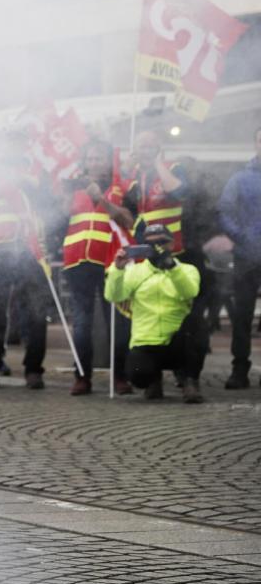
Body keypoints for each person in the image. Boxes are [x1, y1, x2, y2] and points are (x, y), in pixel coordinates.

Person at [124, 132, 208, 400]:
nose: (145, 152)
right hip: (148, 258)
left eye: (150, 147)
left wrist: (159, 164)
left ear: (160, 149)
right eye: (140, 147)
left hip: (178, 254)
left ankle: (189, 379)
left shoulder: (173, 169)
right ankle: (152, 377)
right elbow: (129, 215)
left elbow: (180, 191)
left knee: (189, 318)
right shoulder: (137, 180)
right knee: (149, 313)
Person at [0, 144, 52, 390]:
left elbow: (49, 203)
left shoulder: (33, 187)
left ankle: (33, 369)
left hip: (28, 251)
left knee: (36, 314)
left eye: (17, 165)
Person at [61, 140, 134, 396]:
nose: (94, 163)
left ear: (108, 161)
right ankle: (82, 376)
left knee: (117, 320)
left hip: (112, 261)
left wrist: (100, 198)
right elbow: (60, 218)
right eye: (90, 159)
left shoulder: (120, 187)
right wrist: (67, 193)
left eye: (99, 159)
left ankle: (120, 376)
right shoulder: (76, 189)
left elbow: (128, 219)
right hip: (78, 260)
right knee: (82, 322)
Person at [105, 224, 201, 402]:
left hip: (177, 340)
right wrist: (117, 270)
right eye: (151, 244)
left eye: (162, 242)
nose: (158, 247)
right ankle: (153, 380)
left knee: (198, 324)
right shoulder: (135, 271)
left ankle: (190, 381)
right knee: (137, 375)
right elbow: (113, 295)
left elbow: (190, 292)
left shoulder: (187, 270)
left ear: (172, 244)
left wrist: (171, 267)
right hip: (146, 341)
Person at [219, 126, 261, 389]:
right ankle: (239, 368)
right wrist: (240, 236)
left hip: (247, 251)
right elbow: (224, 211)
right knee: (242, 315)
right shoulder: (239, 179)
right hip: (246, 256)